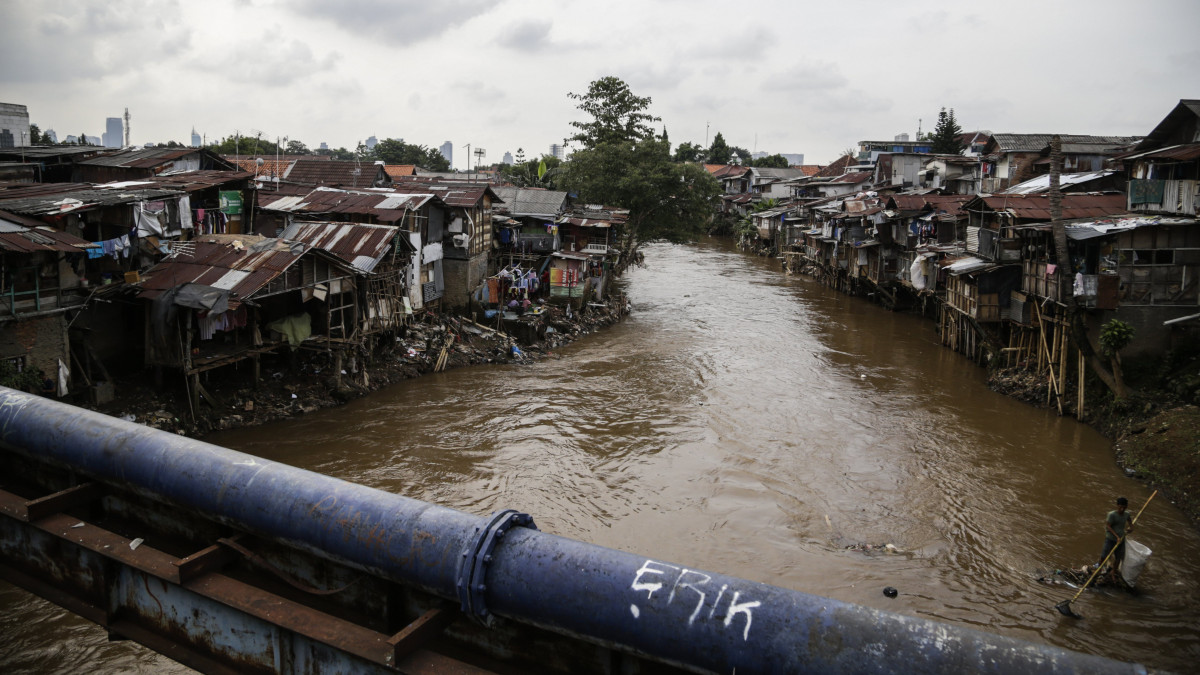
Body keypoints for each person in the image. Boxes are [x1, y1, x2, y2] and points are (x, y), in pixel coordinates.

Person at [1100, 496, 1134, 582]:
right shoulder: (1112, 515)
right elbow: (1108, 527)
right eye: (1120, 507)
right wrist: (1116, 537)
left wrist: (1131, 527)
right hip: (1111, 538)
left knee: (1118, 557)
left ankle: (1113, 572)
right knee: (1104, 555)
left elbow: (1130, 521)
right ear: (1117, 506)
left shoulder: (1126, 514)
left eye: (1124, 507)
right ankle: (1100, 569)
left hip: (1121, 539)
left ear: (1126, 507)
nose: (1122, 509)